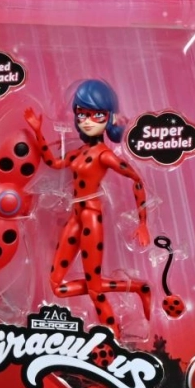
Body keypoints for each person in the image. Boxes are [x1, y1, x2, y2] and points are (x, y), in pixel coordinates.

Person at [25, 79, 151, 337]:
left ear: (109, 117)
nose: (87, 121)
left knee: (95, 289)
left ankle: (113, 338)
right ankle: (137, 287)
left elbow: (137, 179)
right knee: (56, 285)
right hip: (76, 216)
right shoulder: (80, 152)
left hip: (92, 217)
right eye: (82, 114)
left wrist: (143, 223)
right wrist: (37, 131)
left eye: (97, 115)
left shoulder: (105, 155)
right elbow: (53, 162)